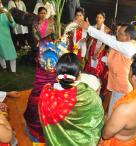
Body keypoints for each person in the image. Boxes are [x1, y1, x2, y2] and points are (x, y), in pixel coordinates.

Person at [38, 53, 104, 146]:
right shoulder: (90, 96)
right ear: (80, 74)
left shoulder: (46, 95)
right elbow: (97, 122)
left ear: (57, 74)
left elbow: (43, 121)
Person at [80, 20, 136, 116]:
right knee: (113, 111)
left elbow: (108, 40)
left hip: (123, 87)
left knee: (115, 114)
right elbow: (109, 38)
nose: (117, 35)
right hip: (119, 84)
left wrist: (89, 28)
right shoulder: (127, 43)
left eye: (120, 33)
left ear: (128, 37)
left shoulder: (129, 47)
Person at [100, 54, 136, 146]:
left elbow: (105, 135)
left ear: (134, 77)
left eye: (130, 70)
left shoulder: (125, 109)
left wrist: (106, 120)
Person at [24, 7, 56, 142]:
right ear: (38, 14)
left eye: (44, 13)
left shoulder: (51, 22)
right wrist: (41, 37)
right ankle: (39, 95)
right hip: (40, 48)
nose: (42, 15)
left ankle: (49, 95)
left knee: (51, 71)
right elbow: (35, 36)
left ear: (46, 13)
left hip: (51, 48)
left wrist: (51, 37)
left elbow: (54, 34)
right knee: (41, 73)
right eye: (41, 13)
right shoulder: (35, 24)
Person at [85, 11, 111, 97]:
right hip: (92, 50)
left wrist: (98, 52)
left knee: (98, 71)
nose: (98, 19)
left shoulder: (107, 29)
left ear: (104, 19)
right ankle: (89, 88)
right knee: (90, 69)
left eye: (100, 17)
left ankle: (97, 90)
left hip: (101, 52)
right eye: (97, 17)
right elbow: (89, 40)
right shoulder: (93, 27)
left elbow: (104, 43)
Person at [0, 3, 17, 73]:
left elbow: (13, 25)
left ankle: (13, 71)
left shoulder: (6, 13)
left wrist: (10, 18)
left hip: (6, 37)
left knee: (12, 54)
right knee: (0, 54)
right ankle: (4, 67)